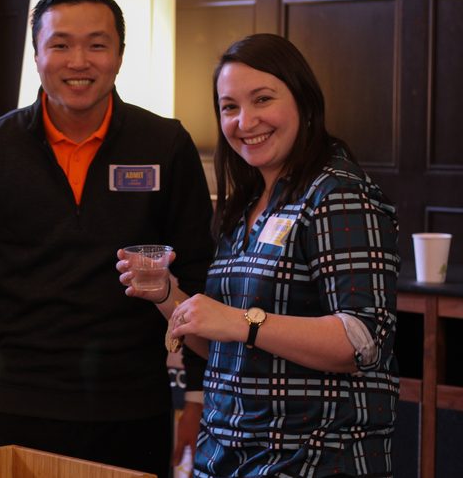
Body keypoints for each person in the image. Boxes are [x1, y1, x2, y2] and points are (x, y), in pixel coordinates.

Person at [0, 0, 215, 477]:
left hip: (136, 407)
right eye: (60, 44)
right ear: (36, 55)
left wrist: (196, 396)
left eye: (97, 45)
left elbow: (197, 273)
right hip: (21, 403)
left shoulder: (165, 143)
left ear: (120, 55)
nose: (79, 61)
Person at [118, 33, 400, 477]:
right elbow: (229, 346)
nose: (245, 121)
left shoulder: (338, 194)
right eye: (229, 107)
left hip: (313, 459)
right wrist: (168, 296)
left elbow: (362, 340)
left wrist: (241, 322)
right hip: (227, 457)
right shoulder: (247, 204)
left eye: (262, 99)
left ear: (304, 101)